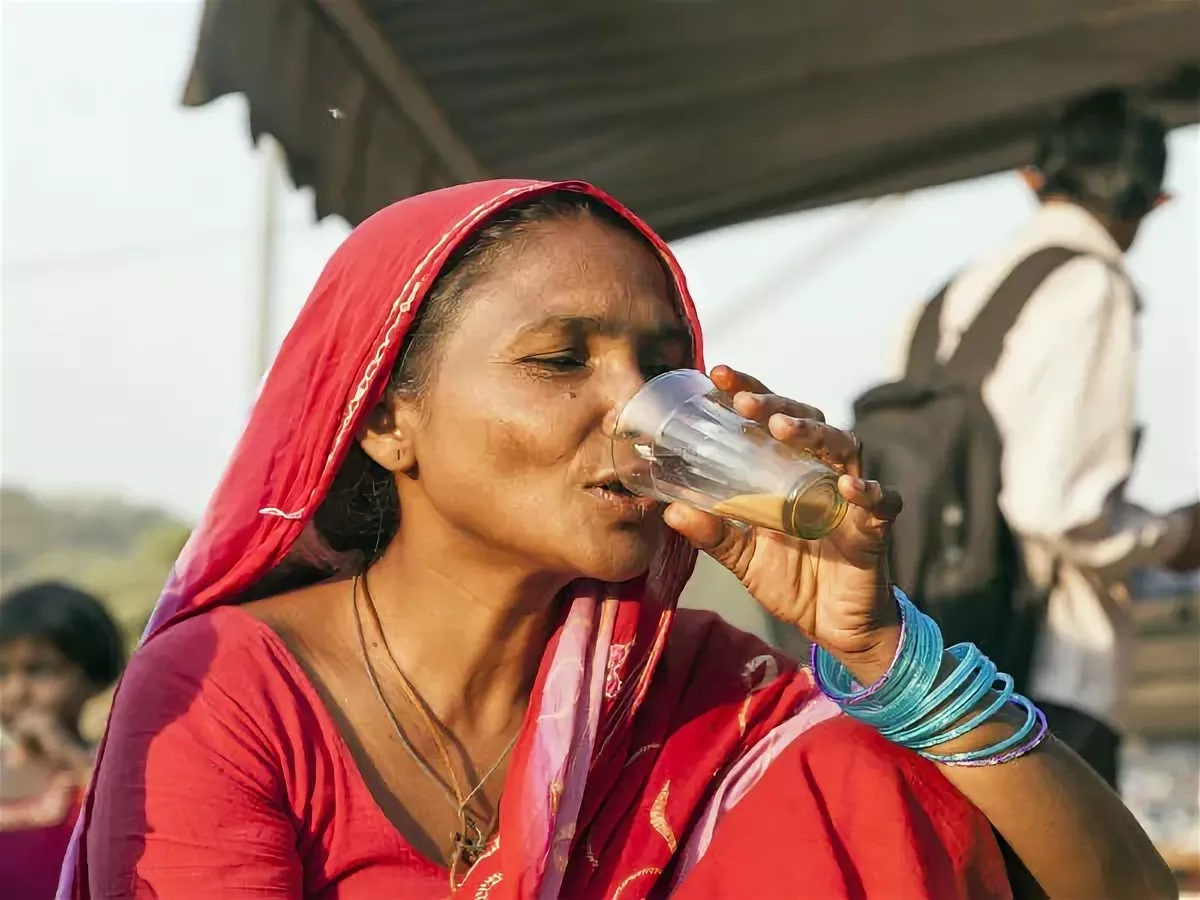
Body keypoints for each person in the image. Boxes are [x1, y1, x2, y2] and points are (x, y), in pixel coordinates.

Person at [63, 180, 1175, 900]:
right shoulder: (237, 696)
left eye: (661, 366)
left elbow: (1119, 888)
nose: (637, 413)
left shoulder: (707, 693)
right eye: (560, 361)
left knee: (852, 771)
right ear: (391, 420)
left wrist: (885, 651)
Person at [887, 89, 1200, 790]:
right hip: (1049, 673)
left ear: (1035, 180)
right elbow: (1059, 510)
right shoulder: (1091, 287)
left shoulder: (943, 301)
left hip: (933, 668)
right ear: (1153, 204)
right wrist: (1176, 537)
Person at [0, 582, 124, 900]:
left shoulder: (116, 771)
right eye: (1, 673)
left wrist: (69, 755)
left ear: (95, 677)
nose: (15, 691)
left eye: (38, 670)